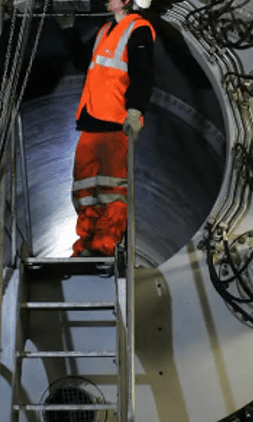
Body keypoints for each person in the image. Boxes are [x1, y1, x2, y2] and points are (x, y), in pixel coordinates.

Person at [58, 0, 157, 257]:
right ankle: (86, 243)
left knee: (111, 189)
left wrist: (135, 111)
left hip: (116, 120)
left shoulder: (139, 29)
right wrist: (69, 30)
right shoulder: (105, 30)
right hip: (93, 118)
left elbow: (143, 73)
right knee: (84, 187)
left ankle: (106, 244)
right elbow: (84, 62)